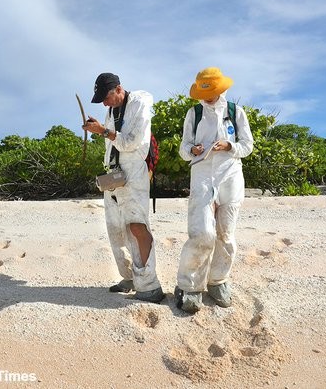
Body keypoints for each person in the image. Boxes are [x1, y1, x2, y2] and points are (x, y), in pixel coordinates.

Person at [174, 67, 254, 313]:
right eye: (205, 92)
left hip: (230, 175)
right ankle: (189, 286)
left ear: (222, 89)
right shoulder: (194, 113)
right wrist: (193, 150)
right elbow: (183, 149)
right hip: (202, 175)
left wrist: (229, 145)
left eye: (213, 91)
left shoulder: (235, 112)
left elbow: (247, 146)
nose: (209, 96)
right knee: (202, 233)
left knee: (226, 234)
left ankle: (218, 281)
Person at [82, 72, 164, 303]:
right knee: (115, 228)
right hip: (114, 175)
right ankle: (129, 278)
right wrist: (100, 130)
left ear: (119, 89)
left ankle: (149, 287)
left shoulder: (140, 103)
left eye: (106, 97)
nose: (104, 103)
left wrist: (102, 131)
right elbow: (113, 143)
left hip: (135, 175)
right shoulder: (111, 110)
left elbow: (132, 141)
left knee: (136, 226)